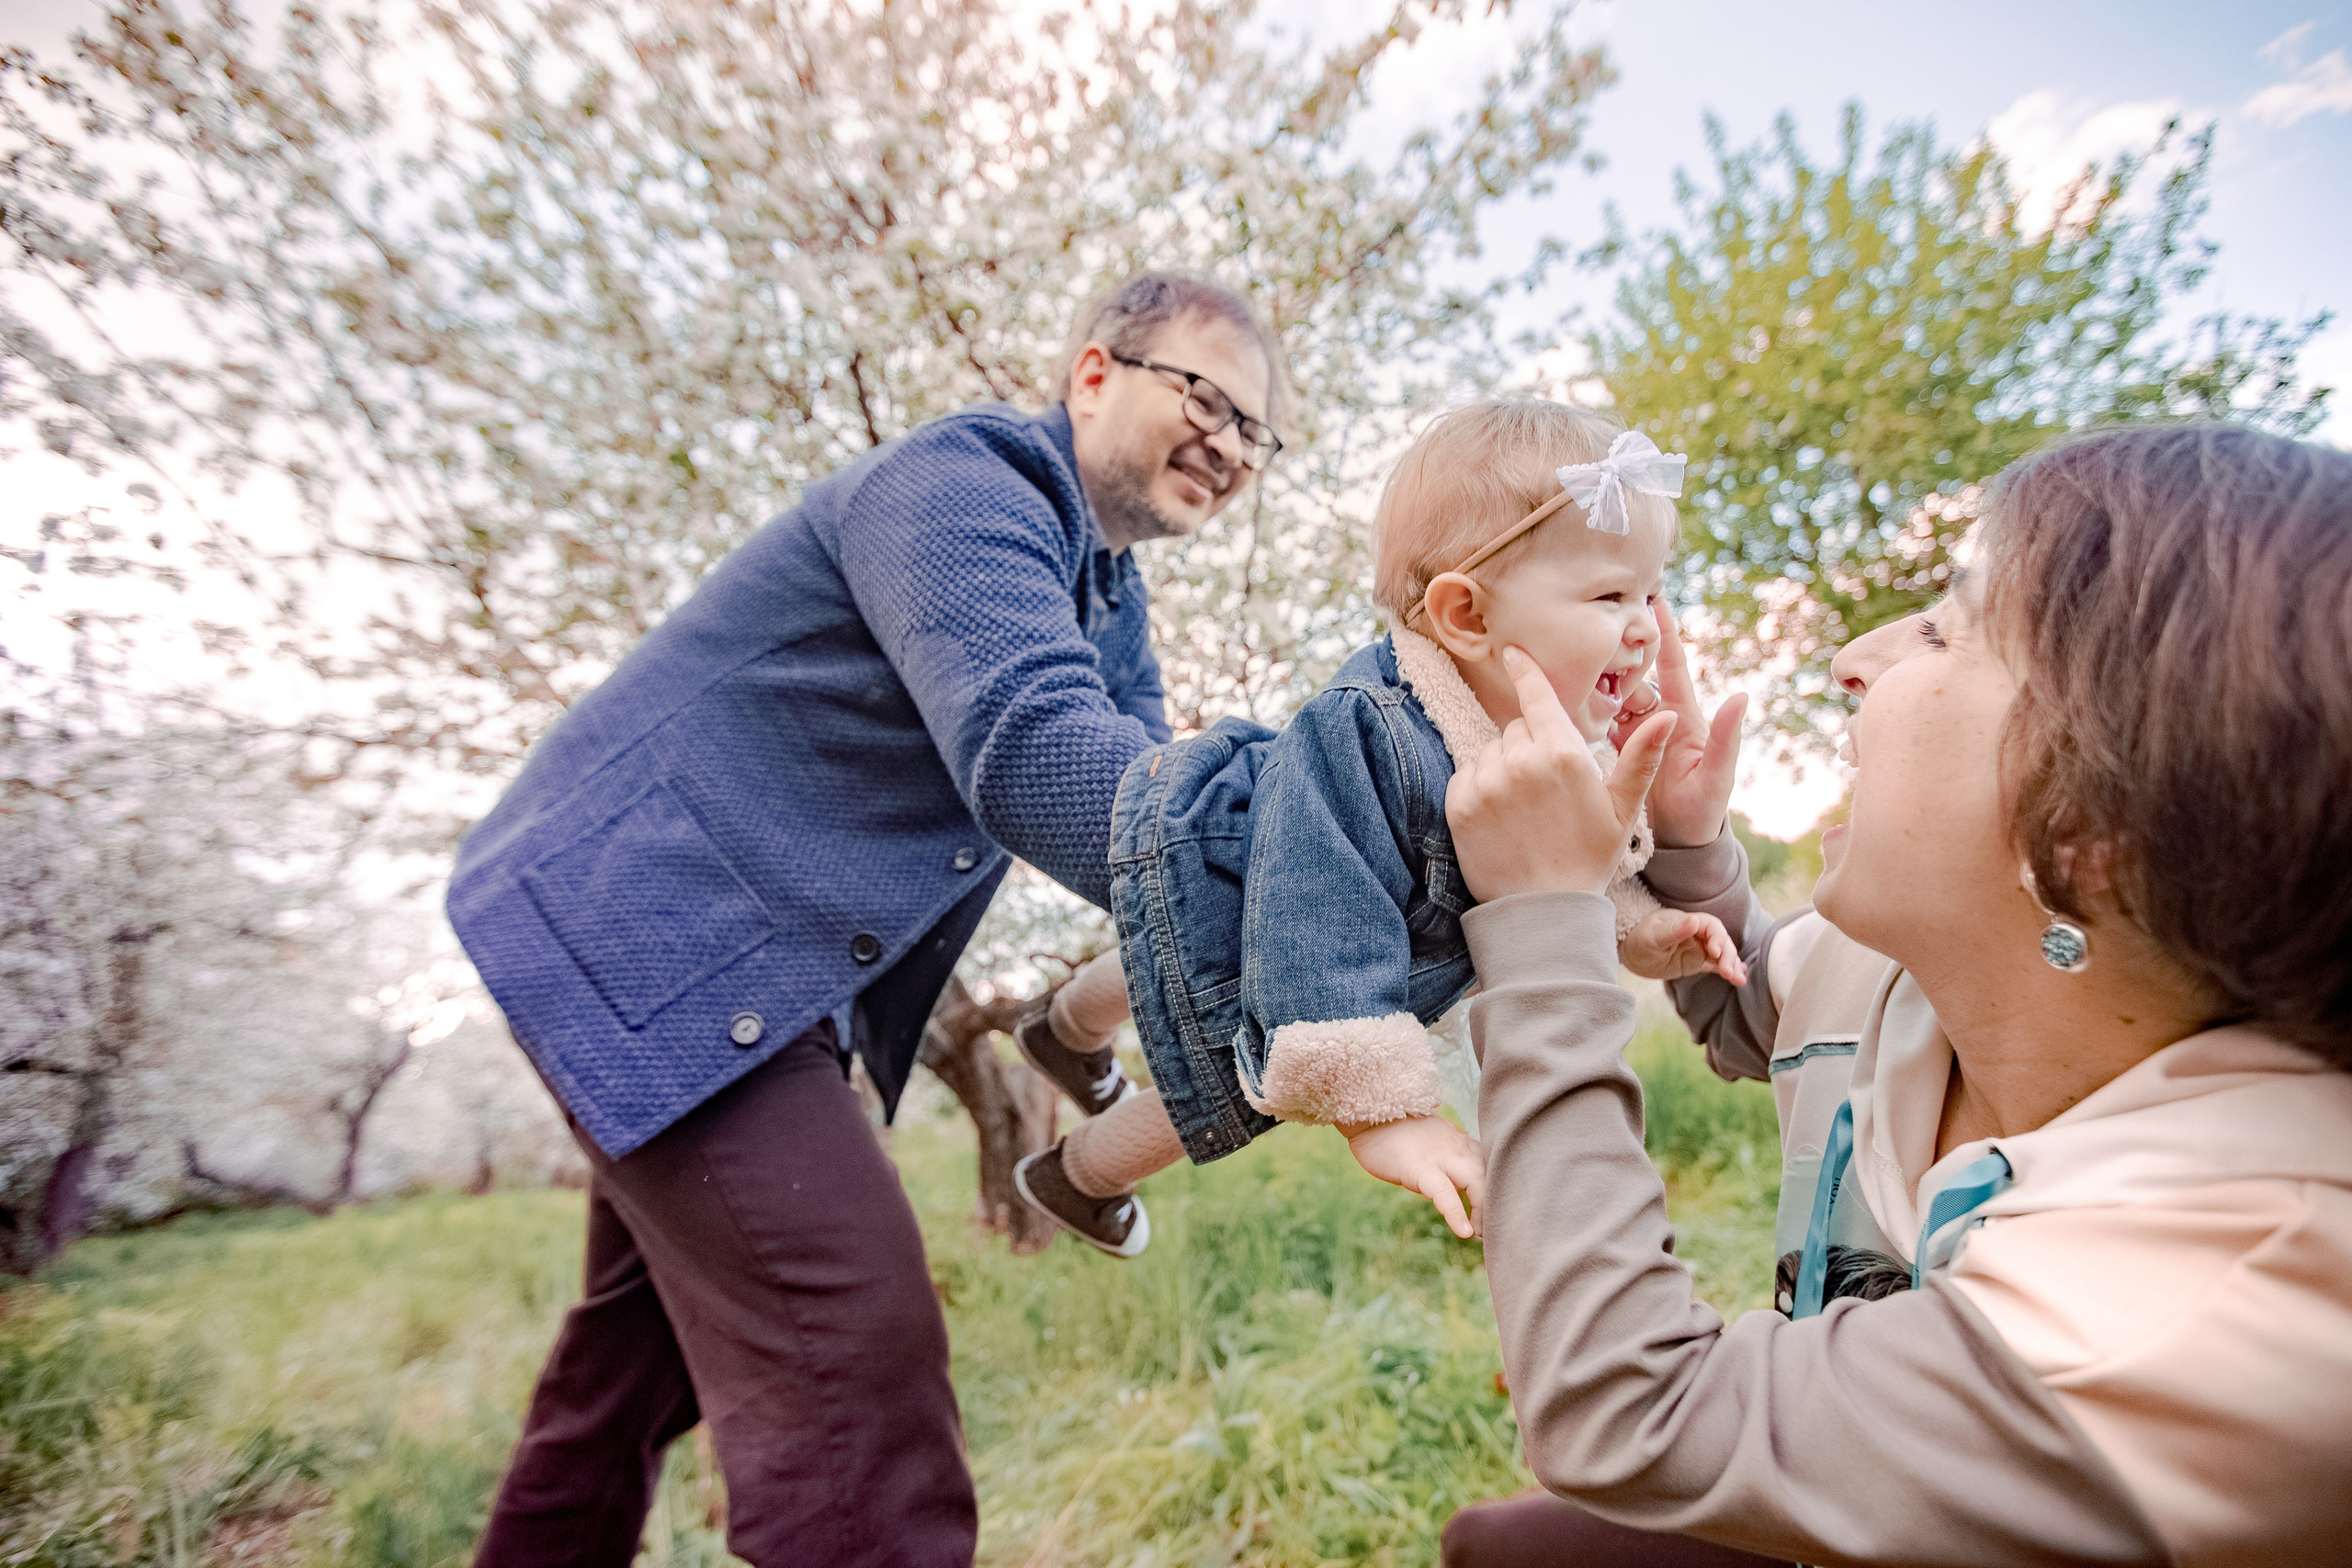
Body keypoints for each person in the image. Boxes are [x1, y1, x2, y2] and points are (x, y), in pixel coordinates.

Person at [446, 273, 1282, 1568]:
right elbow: (1034, 743)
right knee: (857, 1373)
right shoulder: (968, 485)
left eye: (1256, 432)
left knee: (628, 1378)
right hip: (657, 944)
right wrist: (1299, 869)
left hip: (733, 980)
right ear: (1094, 373)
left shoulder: (1110, 598)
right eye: (1206, 396)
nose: (1229, 445)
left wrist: (1319, 843)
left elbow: (1152, 784)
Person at [1440, 424, 2352, 1566]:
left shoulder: (2227, 1292)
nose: (1855, 659)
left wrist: (1542, 918)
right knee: (1507, 1548)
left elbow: (1631, 1415)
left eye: (1944, 632)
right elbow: (1743, 1016)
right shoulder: (1888, 973)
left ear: (2087, 834)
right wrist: (1683, 847)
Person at [1009, 402, 1746, 1259]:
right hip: (1257, 885)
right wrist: (1380, 1111)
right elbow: (1320, 905)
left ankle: (1062, 1030)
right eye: (1611, 594)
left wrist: (1647, 927)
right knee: (1229, 1073)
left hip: (1287, 924)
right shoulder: (1368, 728)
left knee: (1178, 965)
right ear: (1467, 616)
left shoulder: (1546, 744)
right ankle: (1076, 1174)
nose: (1647, 626)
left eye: (1653, 591)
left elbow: (1557, 872)